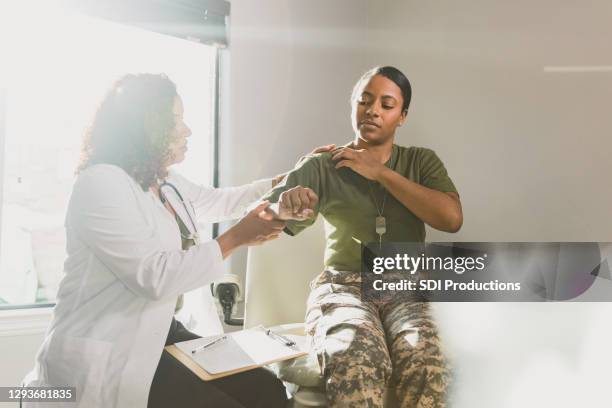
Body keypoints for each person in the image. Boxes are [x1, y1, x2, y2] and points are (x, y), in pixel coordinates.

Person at [21, 73, 334, 408]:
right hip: (108, 346)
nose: (187, 130)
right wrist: (237, 237)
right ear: (144, 127)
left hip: (160, 333)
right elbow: (154, 277)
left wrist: (296, 174)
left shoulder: (162, 180)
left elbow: (221, 201)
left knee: (265, 390)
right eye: (176, 121)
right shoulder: (100, 185)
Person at [262, 66, 462, 407]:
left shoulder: (420, 162)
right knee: (355, 358)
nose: (373, 110)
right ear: (353, 106)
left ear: (402, 116)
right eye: (364, 101)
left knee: (429, 364)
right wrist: (284, 205)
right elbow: (266, 215)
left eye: (386, 104)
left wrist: (380, 172)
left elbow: (451, 219)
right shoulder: (322, 166)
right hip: (345, 286)